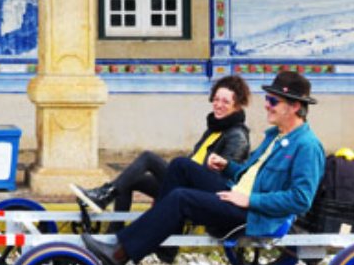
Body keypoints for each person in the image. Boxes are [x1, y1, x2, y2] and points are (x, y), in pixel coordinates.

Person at [82, 70, 325, 265]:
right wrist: (228, 167)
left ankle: (119, 253)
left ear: (294, 106)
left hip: (252, 214)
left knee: (181, 197)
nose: (266, 105)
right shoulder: (275, 136)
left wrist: (250, 200)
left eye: (273, 101)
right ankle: (165, 245)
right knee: (180, 166)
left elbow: (301, 199)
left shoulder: (307, 146)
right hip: (236, 195)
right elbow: (249, 175)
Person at [74, 74, 252, 216]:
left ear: (237, 106)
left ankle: (104, 195)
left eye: (225, 102)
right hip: (186, 181)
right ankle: (113, 233)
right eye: (216, 99)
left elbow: (222, 180)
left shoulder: (237, 135)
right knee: (130, 180)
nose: (218, 105)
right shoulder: (215, 128)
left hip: (200, 190)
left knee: (148, 158)